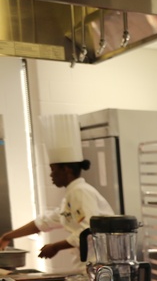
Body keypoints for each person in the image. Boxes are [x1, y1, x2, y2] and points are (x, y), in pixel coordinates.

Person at [0, 114, 114, 267]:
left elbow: (88, 230)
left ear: (66, 170)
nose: (51, 175)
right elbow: (45, 221)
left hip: (99, 263)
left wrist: (55, 246)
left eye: (53, 170)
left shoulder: (80, 192)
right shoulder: (71, 195)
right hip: (88, 262)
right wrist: (7, 236)